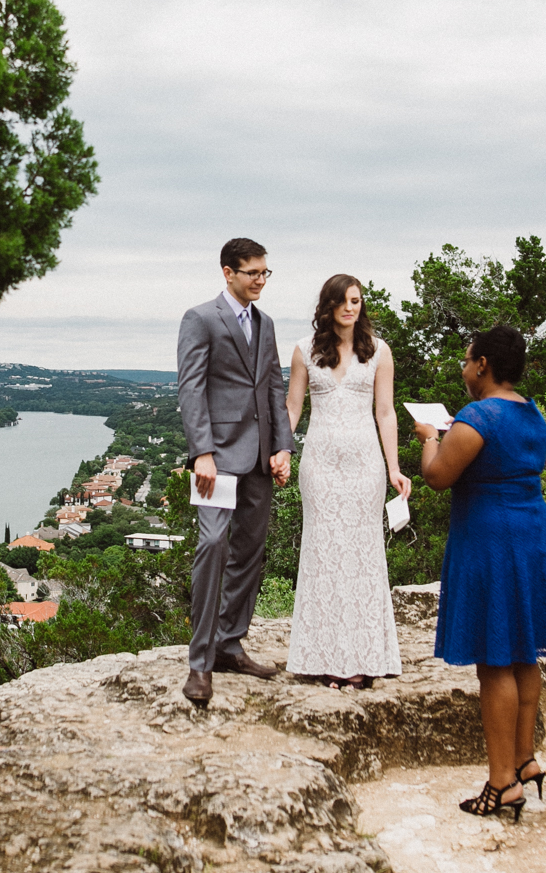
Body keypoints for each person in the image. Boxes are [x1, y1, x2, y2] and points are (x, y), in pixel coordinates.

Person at [413, 323, 546, 821]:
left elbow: (438, 477)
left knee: (495, 659)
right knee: (525, 653)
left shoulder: (477, 415)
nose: (463, 369)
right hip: (532, 534)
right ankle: (524, 760)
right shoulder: (532, 412)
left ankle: (501, 782)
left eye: (466, 361)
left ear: (483, 365)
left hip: (492, 539)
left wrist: (427, 439)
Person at [175, 237, 296, 707]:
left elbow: (273, 386)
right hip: (217, 460)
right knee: (212, 546)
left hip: (260, 459)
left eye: (266, 272)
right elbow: (191, 387)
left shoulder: (265, 324)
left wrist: (283, 446)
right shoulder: (201, 318)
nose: (261, 280)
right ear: (228, 272)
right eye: (253, 273)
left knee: (250, 552)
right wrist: (201, 452)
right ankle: (200, 663)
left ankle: (230, 644)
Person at [284, 274, 410, 687]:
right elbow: (293, 408)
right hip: (319, 467)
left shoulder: (379, 352)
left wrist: (394, 468)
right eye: (342, 301)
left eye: (356, 300)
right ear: (328, 306)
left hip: (365, 468)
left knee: (361, 556)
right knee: (322, 554)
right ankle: (320, 658)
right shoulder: (304, 351)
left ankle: (363, 656)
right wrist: (282, 451)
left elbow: (386, 413)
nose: (350, 308)